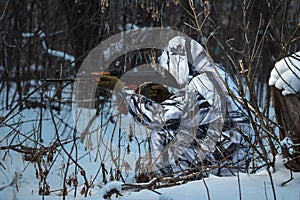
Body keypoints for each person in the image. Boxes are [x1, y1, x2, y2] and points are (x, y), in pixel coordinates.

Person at [98, 36, 252, 177]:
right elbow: (201, 113)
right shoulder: (216, 75)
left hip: (224, 165)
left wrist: (123, 90)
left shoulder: (203, 83)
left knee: (162, 133)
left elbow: (157, 118)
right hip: (234, 157)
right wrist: (168, 98)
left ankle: (171, 185)